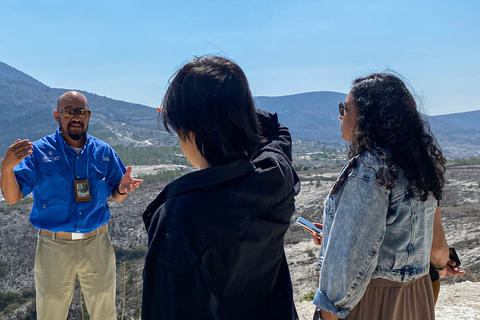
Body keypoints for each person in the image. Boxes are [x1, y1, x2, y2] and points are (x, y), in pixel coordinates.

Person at [141, 56, 300, 320]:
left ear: (189, 130)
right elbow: (276, 132)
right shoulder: (274, 179)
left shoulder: (179, 218)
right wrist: (230, 108)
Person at [311, 73, 447, 320]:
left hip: (371, 302)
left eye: (345, 108)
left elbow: (348, 267)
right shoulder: (417, 167)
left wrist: (326, 314)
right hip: (417, 296)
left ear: (369, 116)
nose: (340, 116)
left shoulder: (369, 171)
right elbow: (436, 248)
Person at [0, 91, 142, 320]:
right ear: (57, 115)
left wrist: (122, 190)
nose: (76, 116)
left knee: (104, 311)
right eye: (69, 111)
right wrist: (7, 168)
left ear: (89, 116)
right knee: (50, 312)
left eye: (81, 112)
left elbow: (116, 195)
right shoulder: (38, 151)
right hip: (54, 246)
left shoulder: (103, 152)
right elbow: (12, 197)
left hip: (97, 243)